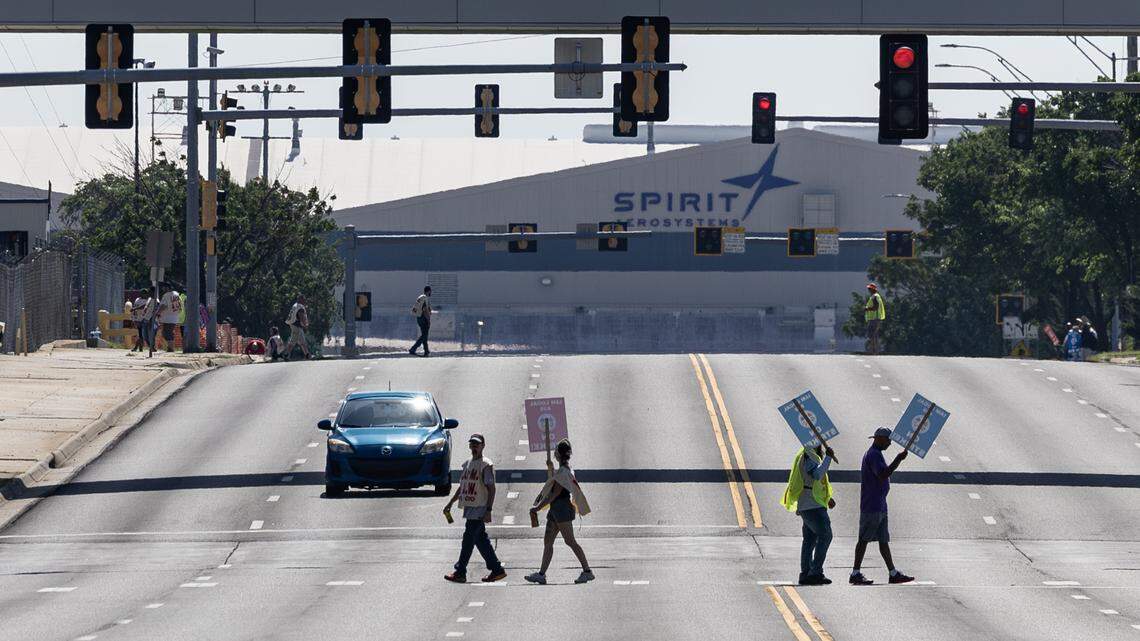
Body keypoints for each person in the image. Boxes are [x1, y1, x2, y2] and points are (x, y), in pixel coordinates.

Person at [525, 439, 595, 585]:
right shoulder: (564, 470)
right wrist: (550, 468)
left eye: (556, 451)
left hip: (561, 509)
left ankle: (587, 571)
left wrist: (537, 508)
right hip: (556, 510)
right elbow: (554, 480)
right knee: (548, 541)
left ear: (558, 454)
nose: (554, 453)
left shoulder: (564, 472)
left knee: (570, 541)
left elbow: (553, 494)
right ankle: (541, 574)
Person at [850, 427, 913, 585]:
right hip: (872, 504)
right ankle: (855, 572)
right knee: (864, 539)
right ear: (879, 439)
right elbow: (883, 474)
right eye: (888, 440)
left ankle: (892, 573)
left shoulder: (876, 454)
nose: (890, 443)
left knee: (883, 540)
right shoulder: (873, 455)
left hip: (880, 504)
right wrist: (898, 460)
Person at [443, 434, 507, 584]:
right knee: (480, 540)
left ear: (483, 446)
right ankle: (497, 569)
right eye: (472, 444)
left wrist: (489, 510)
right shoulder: (467, 464)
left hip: (479, 508)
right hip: (470, 507)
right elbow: (462, 487)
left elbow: (492, 489)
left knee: (468, 540)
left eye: (477, 444)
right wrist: (451, 502)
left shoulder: (486, 465)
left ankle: (460, 571)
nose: (474, 447)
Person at [781, 442, 836, 585]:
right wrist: (828, 458)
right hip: (812, 505)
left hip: (811, 503)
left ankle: (806, 573)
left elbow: (815, 482)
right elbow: (817, 475)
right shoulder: (809, 455)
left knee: (810, 540)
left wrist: (828, 498)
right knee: (825, 535)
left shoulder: (810, 454)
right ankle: (815, 572)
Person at [283, 295, 311, 360]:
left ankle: (307, 354)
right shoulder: (300, 307)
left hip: (294, 325)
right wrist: (305, 325)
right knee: (293, 340)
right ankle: (286, 354)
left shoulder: (295, 305)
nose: (304, 301)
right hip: (296, 325)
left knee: (302, 341)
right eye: (303, 299)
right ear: (300, 299)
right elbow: (301, 316)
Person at [157, 284, 182, 352]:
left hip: (167, 317)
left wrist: (158, 313)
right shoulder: (176, 294)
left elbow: (164, 305)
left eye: (164, 288)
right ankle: (170, 347)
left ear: (167, 288)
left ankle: (171, 348)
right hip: (175, 316)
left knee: (166, 333)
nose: (163, 289)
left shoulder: (166, 295)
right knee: (168, 332)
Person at [409, 286, 432, 357]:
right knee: (424, 335)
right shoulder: (425, 298)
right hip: (423, 318)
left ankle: (426, 350)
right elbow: (425, 310)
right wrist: (428, 320)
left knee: (424, 335)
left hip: (418, 318)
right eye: (430, 291)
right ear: (428, 291)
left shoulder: (420, 297)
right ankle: (413, 348)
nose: (431, 293)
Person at [864, 283, 886, 355]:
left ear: (873, 289)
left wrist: (867, 309)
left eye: (870, 289)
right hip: (875, 318)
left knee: (872, 335)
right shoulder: (876, 296)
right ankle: (875, 351)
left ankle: (873, 351)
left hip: (874, 319)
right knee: (874, 335)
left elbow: (875, 307)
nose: (868, 290)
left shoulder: (875, 297)